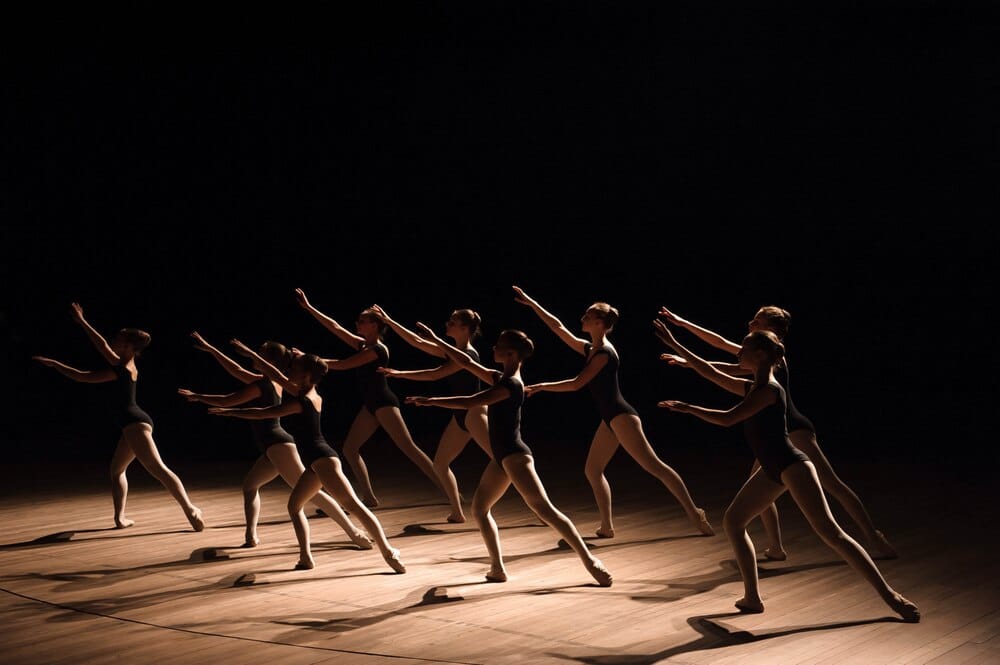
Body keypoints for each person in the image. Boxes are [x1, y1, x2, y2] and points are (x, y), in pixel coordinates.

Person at [654, 320, 919, 621]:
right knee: (734, 521)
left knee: (833, 534)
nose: (738, 353)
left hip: (794, 466)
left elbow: (729, 419)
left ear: (761, 356)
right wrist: (675, 345)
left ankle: (891, 596)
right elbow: (711, 372)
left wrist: (689, 408)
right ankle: (752, 598)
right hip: (771, 469)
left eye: (744, 349)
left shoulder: (768, 390)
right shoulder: (753, 385)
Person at [657, 304, 897, 560]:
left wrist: (687, 358)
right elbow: (720, 351)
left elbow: (725, 366)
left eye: (757, 322)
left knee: (833, 485)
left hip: (793, 429)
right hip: (774, 435)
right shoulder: (760, 353)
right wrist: (682, 325)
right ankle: (776, 546)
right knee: (759, 490)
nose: (750, 324)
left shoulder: (773, 360)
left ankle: (874, 537)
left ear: (771, 331)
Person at [406, 323, 613, 587]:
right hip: (501, 459)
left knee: (545, 509)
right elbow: (466, 362)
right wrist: (437, 339)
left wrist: (432, 401)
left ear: (512, 355)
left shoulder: (511, 385)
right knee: (480, 509)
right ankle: (497, 568)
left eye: (500, 346)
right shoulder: (499, 377)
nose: (494, 348)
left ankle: (591, 561)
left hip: (515, 456)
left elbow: (472, 401)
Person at [511, 285, 713, 538]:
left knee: (655, 467)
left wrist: (542, 386)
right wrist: (532, 303)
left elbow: (577, 383)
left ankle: (695, 513)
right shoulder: (591, 348)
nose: (582, 318)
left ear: (600, 323)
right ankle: (607, 526)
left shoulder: (604, 353)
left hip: (622, 416)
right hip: (611, 418)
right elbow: (557, 327)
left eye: (588, 315)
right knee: (593, 470)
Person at [207, 340, 406, 573]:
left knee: (354, 506)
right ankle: (305, 557)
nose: (289, 372)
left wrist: (231, 412)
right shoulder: (307, 392)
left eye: (295, 369)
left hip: (324, 460)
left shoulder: (301, 401)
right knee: (294, 506)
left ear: (307, 376)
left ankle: (388, 550)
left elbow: (265, 413)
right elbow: (273, 372)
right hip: (316, 463)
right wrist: (249, 352)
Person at [178, 331, 373, 550]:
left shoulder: (264, 384)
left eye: (259, 354)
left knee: (314, 495)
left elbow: (229, 399)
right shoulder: (267, 381)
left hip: (278, 445)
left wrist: (198, 397)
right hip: (271, 448)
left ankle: (353, 532)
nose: (254, 357)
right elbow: (237, 369)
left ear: (268, 361)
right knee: (250, 486)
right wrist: (213, 350)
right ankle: (251, 536)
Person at [33, 302, 204, 531]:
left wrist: (81, 324)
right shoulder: (125, 365)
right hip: (132, 424)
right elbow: (91, 364)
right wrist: (57, 362)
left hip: (135, 423)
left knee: (158, 469)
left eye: (120, 340)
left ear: (130, 348)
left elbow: (87, 367)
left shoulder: (122, 368)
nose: (114, 341)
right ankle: (120, 518)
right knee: (117, 471)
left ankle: (190, 508)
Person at [294, 288, 446, 508]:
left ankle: (449, 492)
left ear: (375, 325)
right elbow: (335, 327)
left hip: (384, 402)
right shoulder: (363, 344)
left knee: (410, 449)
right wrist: (309, 308)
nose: (357, 324)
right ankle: (368, 497)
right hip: (371, 404)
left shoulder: (378, 350)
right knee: (350, 448)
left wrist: (310, 360)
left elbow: (345, 364)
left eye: (362, 321)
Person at [369, 304, 492, 523]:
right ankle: (457, 511)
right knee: (440, 463)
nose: (447, 324)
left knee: (505, 460)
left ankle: (540, 508)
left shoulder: (468, 354)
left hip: (474, 413)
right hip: (460, 415)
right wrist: (388, 321)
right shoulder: (454, 350)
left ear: (465, 329)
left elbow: (435, 374)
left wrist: (400, 374)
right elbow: (417, 342)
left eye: (452, 322)